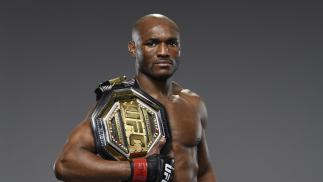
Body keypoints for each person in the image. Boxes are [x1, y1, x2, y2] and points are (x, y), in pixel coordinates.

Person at [54, 14, 216, 182]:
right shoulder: (117, 105)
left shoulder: (193, 103)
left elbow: (204, 170)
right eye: (152, 43)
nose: (163, 52)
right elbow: (65, 164)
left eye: (171, 43)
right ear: (133, 48)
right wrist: (141, 169)